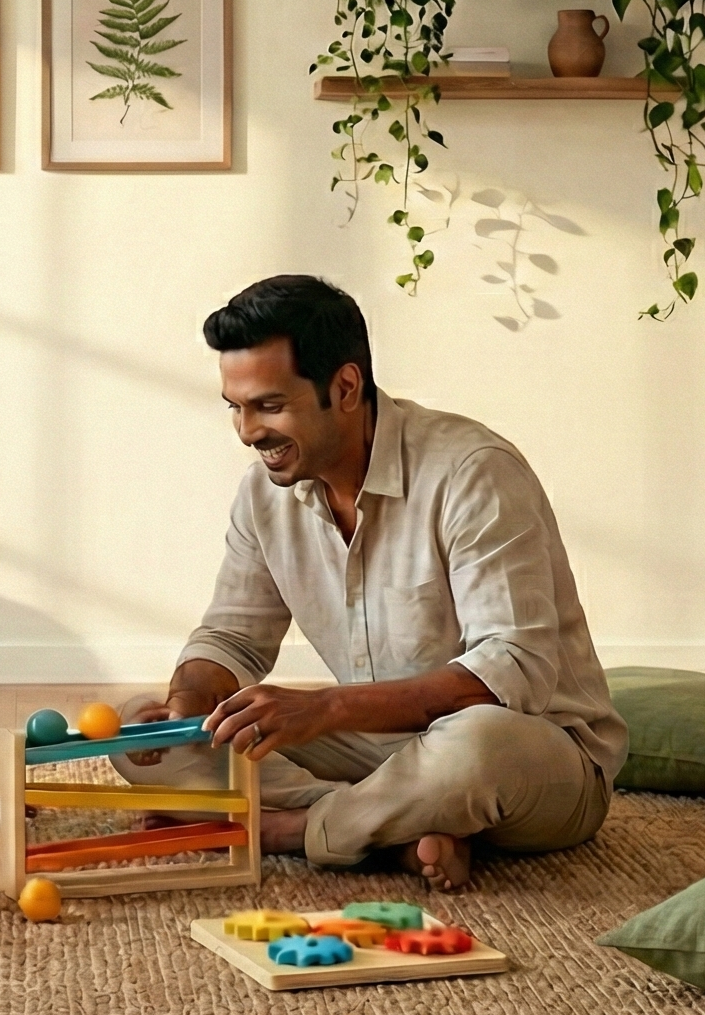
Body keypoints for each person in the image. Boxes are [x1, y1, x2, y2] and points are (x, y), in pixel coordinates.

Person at [115, 275, 626, 891]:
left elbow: (512, 670)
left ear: (346, 387)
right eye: (236, 407)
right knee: (134, 731)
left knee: (476, 747)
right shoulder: (263, 494)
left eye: (270, 406)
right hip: (378, 750)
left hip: (531, 754)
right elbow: (232, 639)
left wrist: (326, 707)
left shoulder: (472, 472)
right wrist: (182, 712)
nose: (249, 432)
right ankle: (396, 829)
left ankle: (293, 828)